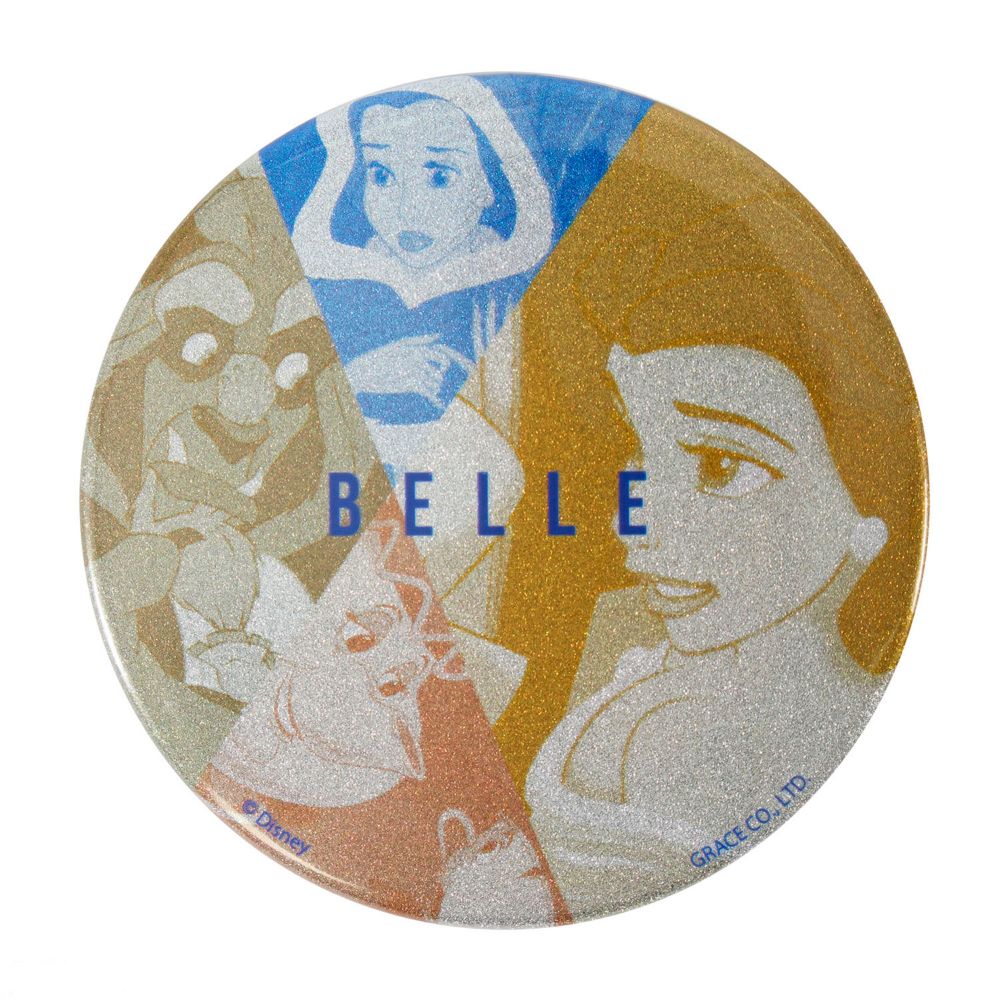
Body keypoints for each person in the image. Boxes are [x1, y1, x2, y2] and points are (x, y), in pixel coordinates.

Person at [524, 217, 925, 918]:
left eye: (719, 466)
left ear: (869, 507)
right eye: (638, 451)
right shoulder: (632, 649)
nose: (632, 522)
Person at [291, 76, 553, 478]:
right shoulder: (328, 286)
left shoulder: (514, 294)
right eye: (381, 175)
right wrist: (364, 374)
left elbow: (529, 439)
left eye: (440, 177)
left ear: (487, 185)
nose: (407, 210)